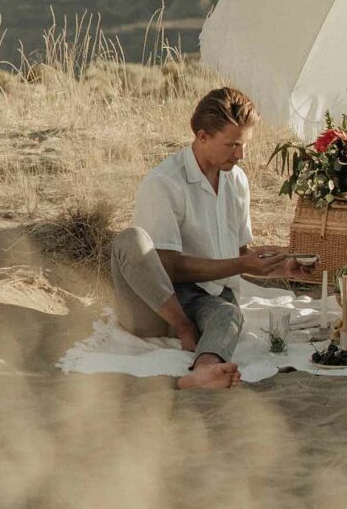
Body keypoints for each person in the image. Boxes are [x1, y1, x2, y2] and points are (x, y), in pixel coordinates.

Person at [111, 87, 305, 390]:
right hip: (157, 303)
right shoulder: (163, 183)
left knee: (228, 315)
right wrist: (185, 324)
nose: (240, 154)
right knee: (130, 241)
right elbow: (168, 269)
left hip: (208, 298)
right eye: (232, 145)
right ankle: (184, 328)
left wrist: (281, 268)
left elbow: (239, 253)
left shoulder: (237, 179)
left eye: (243, 145)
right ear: (202, 137)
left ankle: (204, 370)